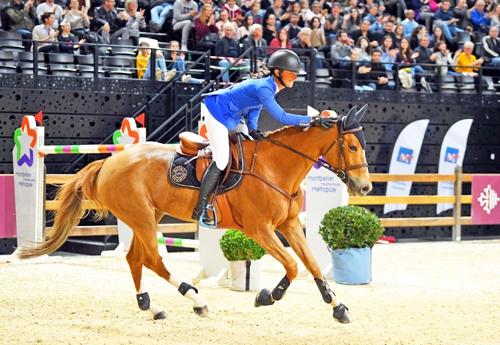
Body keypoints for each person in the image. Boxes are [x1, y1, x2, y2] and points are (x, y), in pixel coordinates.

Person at [192, 49, 336, 226]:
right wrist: (313, 119)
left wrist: (252, 129)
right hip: (217, 112)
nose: (294, 77)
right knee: (221, 160)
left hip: (234, 115)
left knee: (249, 148)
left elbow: (255, 107)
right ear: (278, 72)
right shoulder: (265, 87)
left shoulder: (270, 86)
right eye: (291, 73)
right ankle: (202, 207)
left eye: (295, 74)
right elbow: (282, 117)